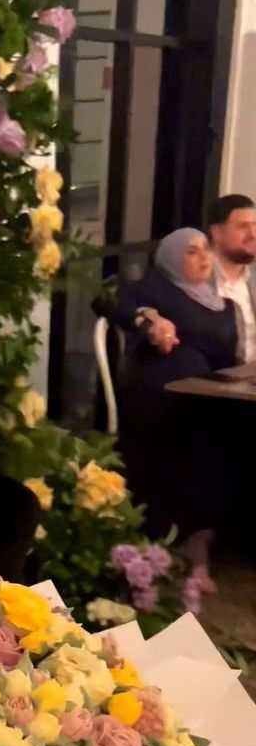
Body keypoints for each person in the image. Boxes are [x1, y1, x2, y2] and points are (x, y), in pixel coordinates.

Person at [103, 228, 239, 588]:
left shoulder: (225, 308)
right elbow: (108, 296)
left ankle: (205, 547)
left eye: (205, 250)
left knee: (235, 433)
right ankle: (166, 548)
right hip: (157, 397)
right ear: (171, 257)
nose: (202, 257)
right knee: (202, 437)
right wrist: (148, 321)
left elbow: (229, 360)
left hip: (205, 396)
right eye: (191, 251)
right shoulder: (154, 289)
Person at [208, 194, 256, 362]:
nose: (253, 234)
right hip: (216, 378)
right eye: (243, 226)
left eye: (255, 225)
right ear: (217, 233)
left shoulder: (253, 276)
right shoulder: (196, 276)